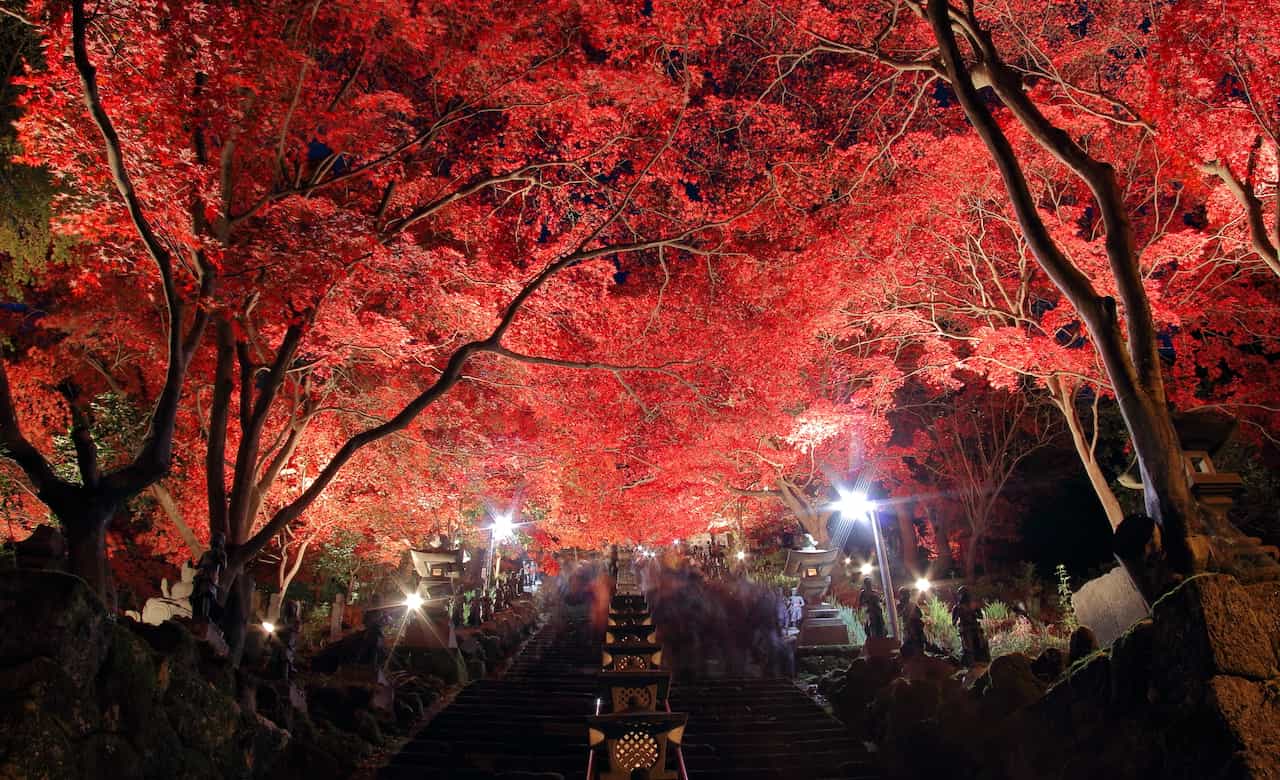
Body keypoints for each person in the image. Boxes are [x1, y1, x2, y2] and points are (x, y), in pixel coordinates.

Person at [191, 532, 227, 620]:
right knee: (197, 595)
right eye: (213, 541)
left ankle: (205, 615)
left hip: (211, 576)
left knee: (208, 595)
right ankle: (196, 614)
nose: (214, 543)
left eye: (217, 541)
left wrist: (218, 556)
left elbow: (224, 566)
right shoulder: (206, 554)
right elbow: (198, 565)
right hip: (201, 576)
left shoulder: (221, 554)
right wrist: (192, 565)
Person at [952, 587, 990, 666]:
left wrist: (973, 612)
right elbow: (953, 622)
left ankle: (984, 663)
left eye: (966, 594)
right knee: (969, 650)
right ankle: (970, 665)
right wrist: (958, 614)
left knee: (982, 646)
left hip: (976, 628)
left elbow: (980, 617)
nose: (965, 596)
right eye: (963, 594)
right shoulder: (957, 607)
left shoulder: (974, 605)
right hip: (966, 630)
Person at [897, 587, 926, 657]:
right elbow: (898, 614)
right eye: (904, 594)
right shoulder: (900, 606)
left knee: (917, 648)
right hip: (908, 631)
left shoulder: (913, 605)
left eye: (907, 594)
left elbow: (920, 615)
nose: (907, 596)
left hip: (915, 630)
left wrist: (914, 617)